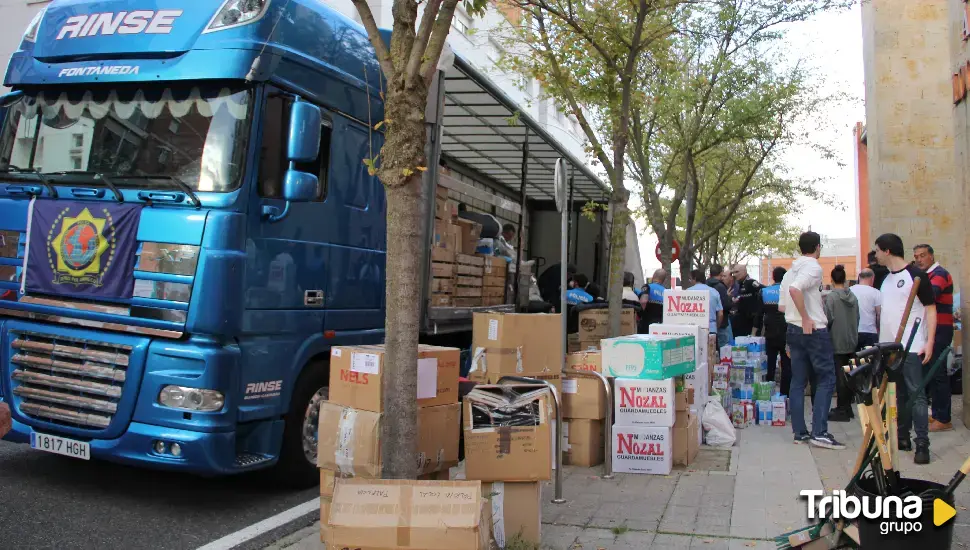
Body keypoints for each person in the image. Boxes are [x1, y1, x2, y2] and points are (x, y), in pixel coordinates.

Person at [875, 233, 937, 465]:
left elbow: (930, 309)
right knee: (896, 393)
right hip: (889, 346)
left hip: (912, 346)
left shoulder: (916, 276)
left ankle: (922, 444)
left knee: (916, 395)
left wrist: (929, 342)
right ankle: (902, 436)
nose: (876, 255)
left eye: (878, 250)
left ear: (887, 250)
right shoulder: (885, 278)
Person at [782, 231, 845, 450]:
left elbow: (783, 304)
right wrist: (807, 317)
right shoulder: (813, 267)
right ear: (818, 247)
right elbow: (795, 290)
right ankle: (820, 432)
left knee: (798, 381)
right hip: (813, 329)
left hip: (793, 329)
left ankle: (800, 432)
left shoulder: (790, 271)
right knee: (827, 378)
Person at [913, 243, 955, 432]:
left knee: (938, 373)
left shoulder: (939, 274)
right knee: (931, 372)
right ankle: (937, 413)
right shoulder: (927, 275)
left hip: (940, 329)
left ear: (931, 256)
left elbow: (930, 295)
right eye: (916, 257)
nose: (919, 260)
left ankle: (944, 418)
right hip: (930, 329)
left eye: (922, 256)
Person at [823, 265, 860, 422]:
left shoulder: (831, 298)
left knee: (840, 376)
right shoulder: (853, 297)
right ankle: (847, 407)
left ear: (831, 280)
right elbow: (858, 318)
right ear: (845, 279)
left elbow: (827, 319)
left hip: (837, 341)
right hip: (852, 339)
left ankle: (842, 409)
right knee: (850, 374)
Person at [761, 267, 791, 393]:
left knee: (770, 366)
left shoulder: (764, 291)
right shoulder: (789, 292)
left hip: (770, 333)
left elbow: (759, 314)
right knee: (787, 366)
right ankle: (785, 395)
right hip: (786, 333)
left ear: (773, 277)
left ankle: (768, 394)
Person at [851, 268, 882, 350]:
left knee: (854, 360)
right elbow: (879, 314)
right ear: (872, 278)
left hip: (852, 332)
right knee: (870, 360)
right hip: (870, 332)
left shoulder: (850, 291)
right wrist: (879, 329)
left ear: (859, 277)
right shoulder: (876, 293)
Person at [686, 268, 724, 334]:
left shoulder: (687, 292)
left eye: (690, 279)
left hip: (693, 330)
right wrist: (716, 327)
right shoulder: (714, 292)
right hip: (711, 329)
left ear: (694, 279)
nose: (690, 281)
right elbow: (720, 314)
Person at [730, 264, 763, 337]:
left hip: (752, 321)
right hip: (740, 320)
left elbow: (763, 289)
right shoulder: (736, 285)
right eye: (733, 273)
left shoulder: (751, 282)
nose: (735, 275)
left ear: (744, 271)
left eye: (737, 272)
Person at [708, 264, 734, 347]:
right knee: (724, 349)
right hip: (721, 324)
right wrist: (730, 299)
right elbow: (725, 306)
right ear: (721, 273)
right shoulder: (720, 286)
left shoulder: (706, 285)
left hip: (708, 324)